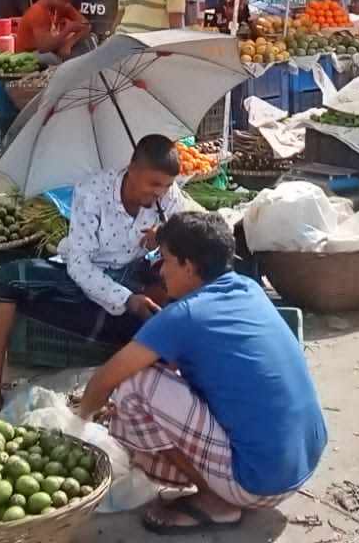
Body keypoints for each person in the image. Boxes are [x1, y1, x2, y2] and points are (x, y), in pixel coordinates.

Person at [78, 214, 326, 531]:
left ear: (189, 266)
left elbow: (105, 379)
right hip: (301, 462)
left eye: (165, 260)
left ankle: (215, 501)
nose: (160, 270)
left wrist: (78, 425)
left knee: (134, 386)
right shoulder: (248, 288)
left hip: (258, 484)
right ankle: (219, 487)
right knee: (159, 383)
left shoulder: (183, 316)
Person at [0, 135, 186, 419]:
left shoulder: (169, 199)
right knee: (8, 278)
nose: (161, 192)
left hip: (132, 273)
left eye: (167, 185)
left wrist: (163, 239)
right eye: (154, 184)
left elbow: (186, 240)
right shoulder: (93, 191)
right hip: (85, 273)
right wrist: (127, 300)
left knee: (174, 295)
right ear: (132, 169)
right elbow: (79, 264)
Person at [16, 0, 91, 60]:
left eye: (68, 2)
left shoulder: (64, 7)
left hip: (54, 48)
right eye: (64, 1)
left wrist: (69, 43)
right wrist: (67, 30)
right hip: (31, 53)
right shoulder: (38, 12)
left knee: (89, 41)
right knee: (52, 58)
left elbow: (87, 26)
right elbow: (44, 48)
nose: (67, 5)